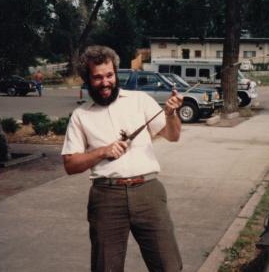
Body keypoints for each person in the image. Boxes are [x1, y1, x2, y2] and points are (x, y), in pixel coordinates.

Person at [61, 45, 184, 272]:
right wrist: (102, 152)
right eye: (97, 78)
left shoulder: (140, 100)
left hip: (148, 192)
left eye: (109, 75)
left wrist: (171, 114)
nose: (105, 82)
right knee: (106, 267)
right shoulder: (81, 115)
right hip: (106, 196)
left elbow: (173, 135)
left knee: (169, 266)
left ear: (116, 73)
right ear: (87, 80)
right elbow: (70, 165)